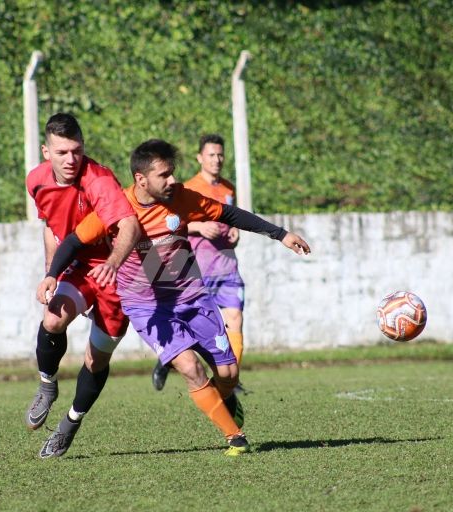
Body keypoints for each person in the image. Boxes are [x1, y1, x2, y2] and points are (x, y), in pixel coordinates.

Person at [37, 139, 310, 457]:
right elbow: (72, 241)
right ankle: (235, 437)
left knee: (228, 374)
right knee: (190, 367)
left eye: (172, 173)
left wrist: (281, 234)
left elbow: (230, 215)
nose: (172, 180)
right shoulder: (117, 207)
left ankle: (225, 400)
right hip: (147, 307)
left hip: (192, 298)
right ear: (141, 179)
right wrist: (52, 275)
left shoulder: (181, 199)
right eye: (164, 175)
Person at [24, 113, 141, 456]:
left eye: (76, 150)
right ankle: (47, 385)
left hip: (116, 272)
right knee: (52, 319)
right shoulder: (36, 181)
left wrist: (113, 263)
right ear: (47, 152)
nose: (71, 159)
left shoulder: (99, 181)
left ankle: (70, 424)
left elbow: (130, 227)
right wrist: (52, 272)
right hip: (76, 265)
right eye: (62, 152)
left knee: (96, 360)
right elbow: (50, 225)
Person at [151, 134, 246, 393]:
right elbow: (170, 223)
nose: (217, 160)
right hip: (198, 269)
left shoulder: (228, 188)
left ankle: (230, 380)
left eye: (220, 155)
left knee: (234, 319)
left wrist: (235, 232)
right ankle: (166, 361)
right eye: (211, 155)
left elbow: (229, 219)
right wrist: (199, 227)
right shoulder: (186, 188)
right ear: (199, 158)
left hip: (227, 266)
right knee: (196, 329)